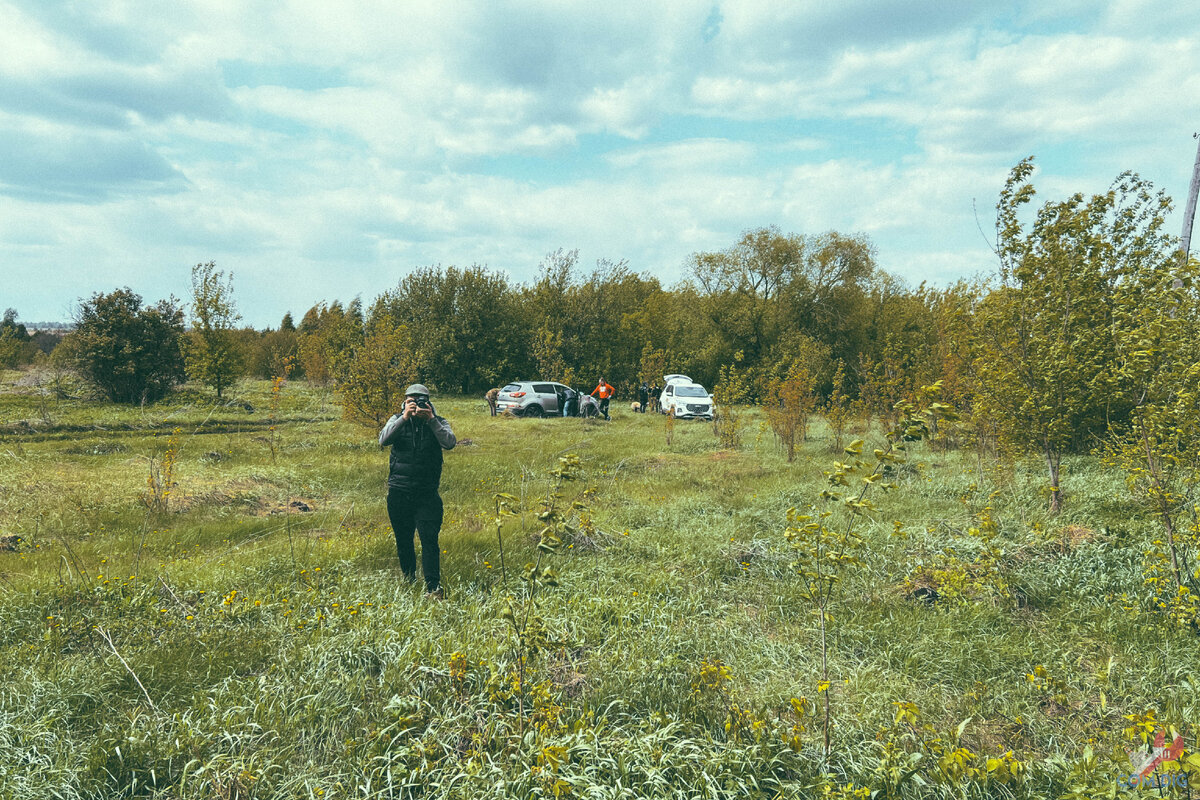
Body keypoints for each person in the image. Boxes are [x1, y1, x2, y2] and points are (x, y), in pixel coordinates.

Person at [379, 383, 456, 598]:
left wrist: (431, 420)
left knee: (429, 540)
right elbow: (383, 440)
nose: (417, 405)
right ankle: (409, 581)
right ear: (404, 401)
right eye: (412, 401)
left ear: (429, 402)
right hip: (399, 492)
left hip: (427, 494)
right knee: (403, 540)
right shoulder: (397, 420)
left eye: (421, 401)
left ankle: (433, 587)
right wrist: (404, 417)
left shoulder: (438, 422)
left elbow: (450, 443)